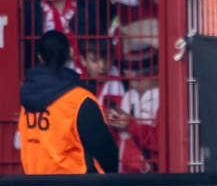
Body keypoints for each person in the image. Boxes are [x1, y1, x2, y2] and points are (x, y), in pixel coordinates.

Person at [18, 30, 118, 174]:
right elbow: (106, 153)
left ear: (40, 57)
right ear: (69, 55)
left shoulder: (27, 97)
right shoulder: (80, 99)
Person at [106, 46, 159, 173]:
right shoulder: (129, 96)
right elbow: (118, 138)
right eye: (131, 80)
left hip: (150, 171)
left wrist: (129, 124)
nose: (133, 84)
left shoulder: (161, 98)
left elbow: (159, 140)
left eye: (138, 80)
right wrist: (112, 124)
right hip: (125, 167)